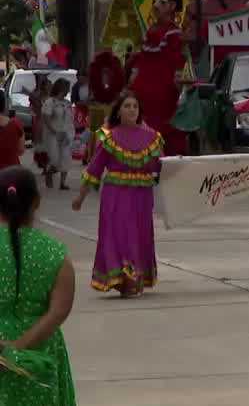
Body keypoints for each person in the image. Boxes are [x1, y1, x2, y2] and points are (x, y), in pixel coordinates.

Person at [72, 92, 163, 296]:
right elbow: (94, 169)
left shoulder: (152, 137)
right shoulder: (110, 137)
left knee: (140, 236)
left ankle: (137, 277)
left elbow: (162, 167)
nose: (132, 110)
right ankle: (124, 280)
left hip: (142, 196)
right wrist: (80, 197)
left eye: (135, 106)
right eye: (127, 106)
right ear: (119, 111)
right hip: (116, 196)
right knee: (121, 235)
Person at [0, 167, 77, 406]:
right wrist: (18, 348)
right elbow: (58, 312)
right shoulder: (55, 252)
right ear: (37, 202)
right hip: (41, 351)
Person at [125, 0, 188, 156]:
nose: (156, 6)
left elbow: (177, 64)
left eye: (162, 2)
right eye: (155, 2)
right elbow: (140, 60)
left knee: (160, 136)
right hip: (143, 95)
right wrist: (132, 76)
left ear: (172, 6)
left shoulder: (174, 33)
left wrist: (178, 85)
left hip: (163, 96)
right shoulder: (150, 31)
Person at [42, 79, 74, 191]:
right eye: (66, 88)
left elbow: (70, 119)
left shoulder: (67, 103)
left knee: (66, 158)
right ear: (61, 88)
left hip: (66, 134)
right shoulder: (50, 102)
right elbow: (46, 118)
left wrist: (70, 134)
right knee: (54, 159)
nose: (67, 91)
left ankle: (62, 183)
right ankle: (49, 171)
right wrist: (54, 131)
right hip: (54, 134)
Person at [29, 75, 51, 175]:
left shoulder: (52, 97)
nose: (49, 87)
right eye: (47, 85)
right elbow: (33, 108)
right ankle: (44, 166)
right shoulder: (38, 96)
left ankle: (48, 165)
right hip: (41, 122)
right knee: (42, 145)